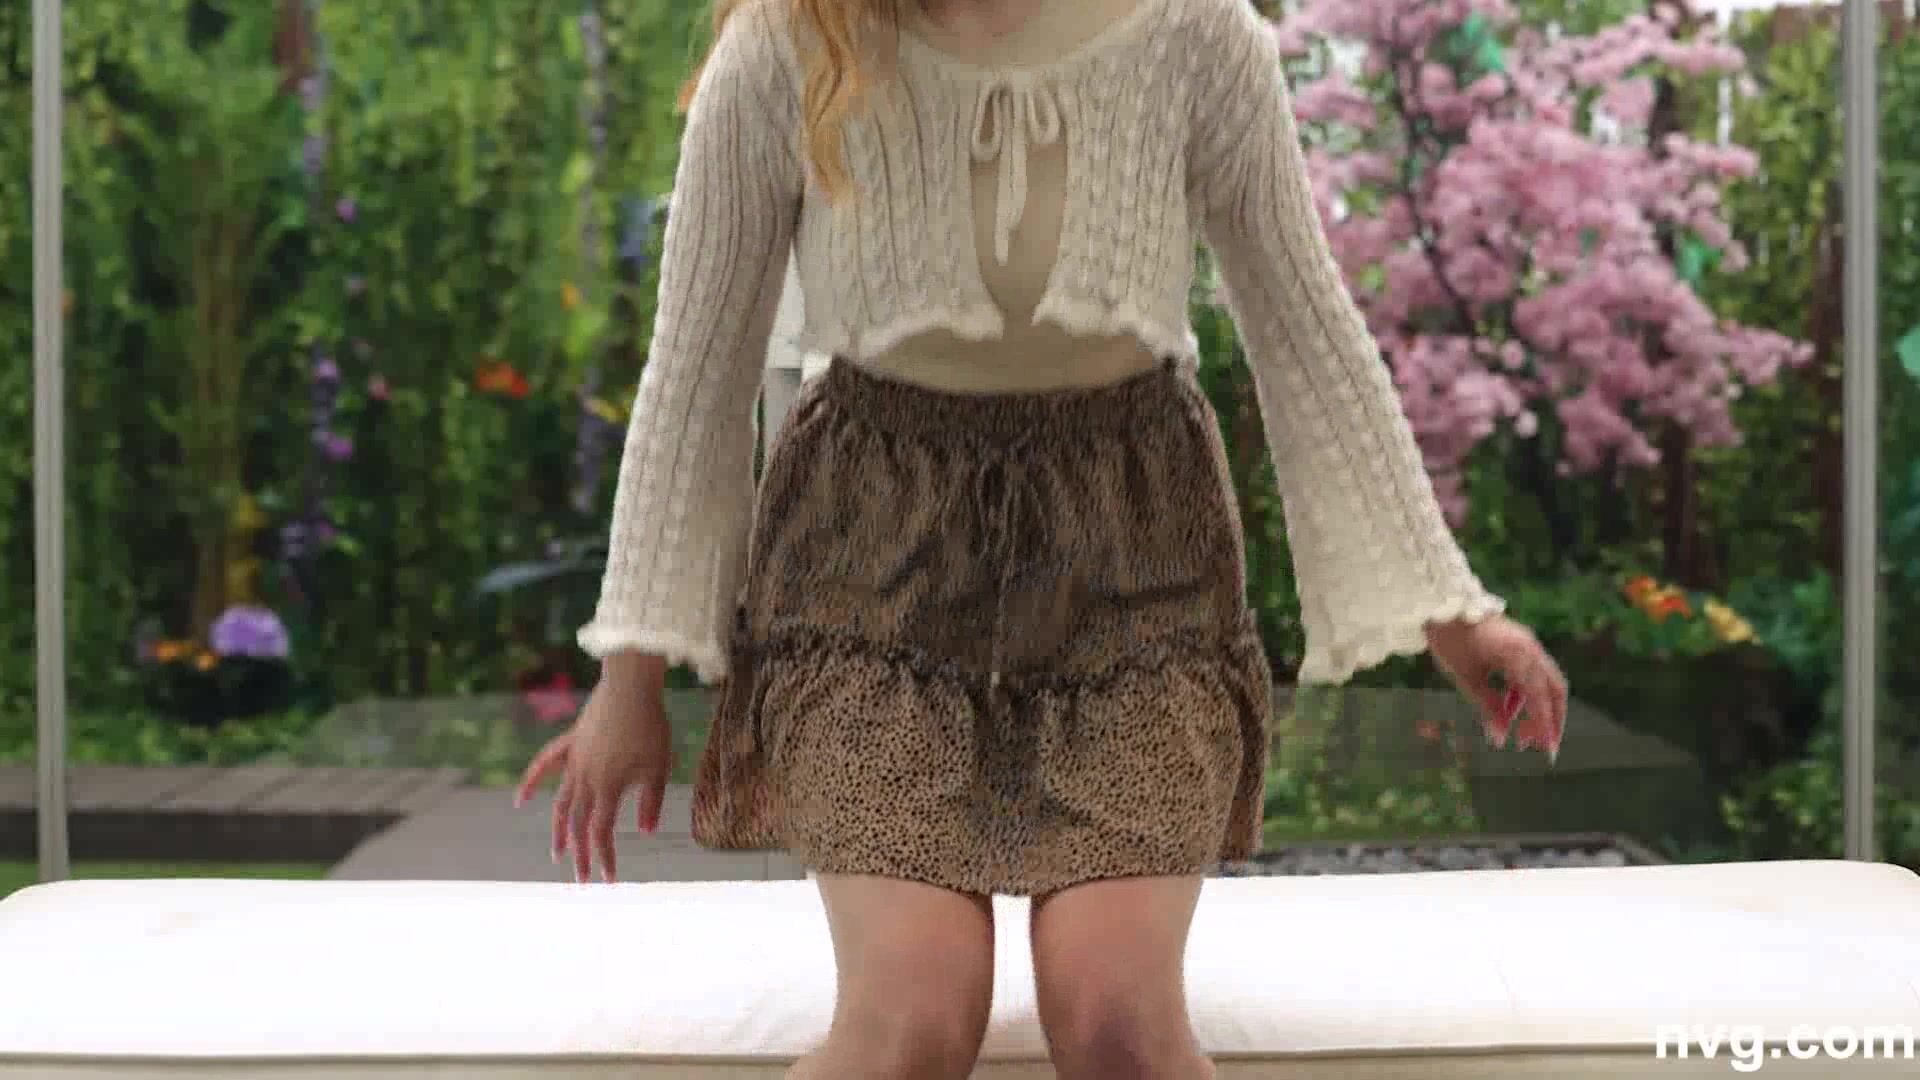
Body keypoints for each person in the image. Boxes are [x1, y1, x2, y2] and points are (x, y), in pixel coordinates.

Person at [516, 0, 1569, 1075]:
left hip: (1136, 583)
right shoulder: (790, 42)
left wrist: (1453, 617)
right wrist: (630, 677)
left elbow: (1309, 331)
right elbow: (695, 370)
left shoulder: (1198, 37)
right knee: (912, 1021)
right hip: (866, 588)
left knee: (1120, 1027)